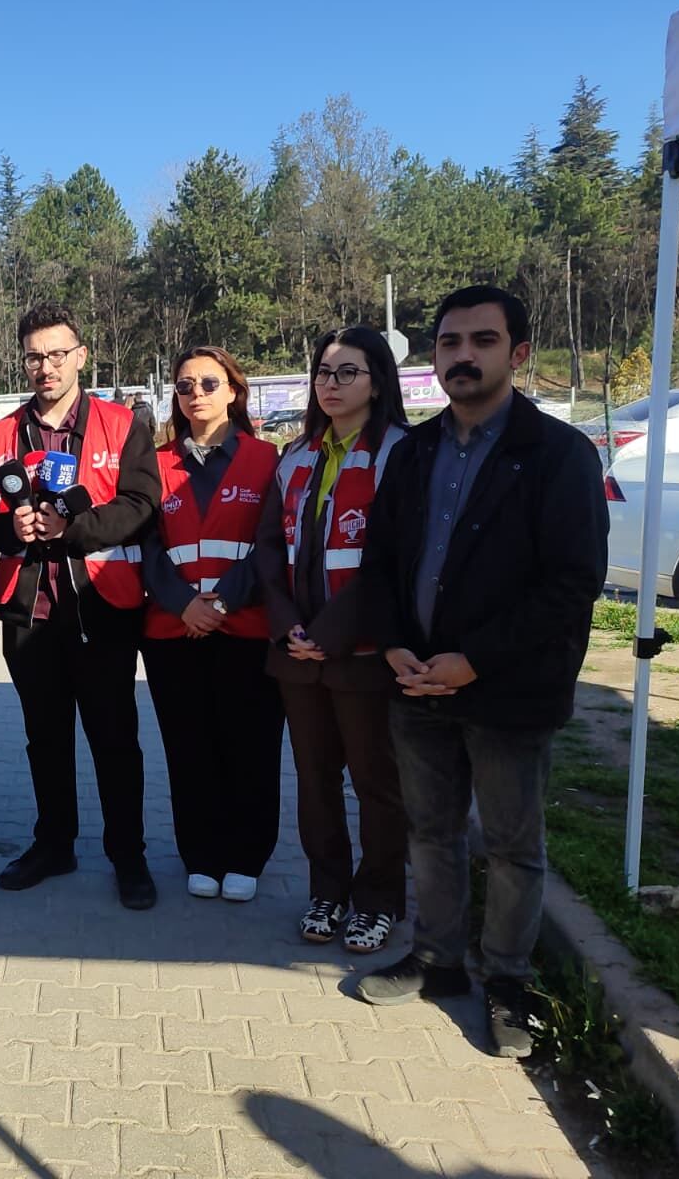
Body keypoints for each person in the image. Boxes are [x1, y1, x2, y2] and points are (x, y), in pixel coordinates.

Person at [354, 285, 608, 1059]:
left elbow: (570, 584)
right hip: (417, 682)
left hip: (507, 690)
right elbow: (382, 564)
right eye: (450, 342)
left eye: (482, 341)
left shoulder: (558, 455)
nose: (463, 355)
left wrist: (475, 661)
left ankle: (507, 979)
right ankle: (437, 960)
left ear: (518, 353)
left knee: (510, 844)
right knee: (430, 833)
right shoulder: (415, 452)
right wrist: (394, 643)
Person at [0, 302, 160, 910]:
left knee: (115, 739)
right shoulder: (1, 432)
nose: (46, 366)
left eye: (58, 353)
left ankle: (128, 854)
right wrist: (16, 526)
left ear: (81, 356)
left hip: (101, 607)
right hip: (27, 611)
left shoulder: (120, 423)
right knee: (44, 739)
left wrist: (72, 528)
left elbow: (141, 503)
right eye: (35, 355)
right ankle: (54, 843)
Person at [254, 328, 409, 951]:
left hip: (363, 652)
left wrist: (335, 631)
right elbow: (270, 547)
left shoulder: (402, 453)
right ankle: (327, 890)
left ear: (378, 381)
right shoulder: (296, 456)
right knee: (314, 780)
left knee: (375, 783)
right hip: (298, 653)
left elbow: (396, 559)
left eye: (349, 372)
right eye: (323, 372)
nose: (332, 384)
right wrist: (288, 621)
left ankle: (378, 899)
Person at [141, 347, 284, 903]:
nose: (195, 393)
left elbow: (271, 544)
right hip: (173, 633)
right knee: (188, 747)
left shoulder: (267, 459)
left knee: (249, 746)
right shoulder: (155, 465)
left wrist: (221, 603)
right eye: (183, 385)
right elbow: (147, 546)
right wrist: (184, 604)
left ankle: (246, 855)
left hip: (243, 629)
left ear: (232, 390)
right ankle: (199, 853)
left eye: (207, 382)